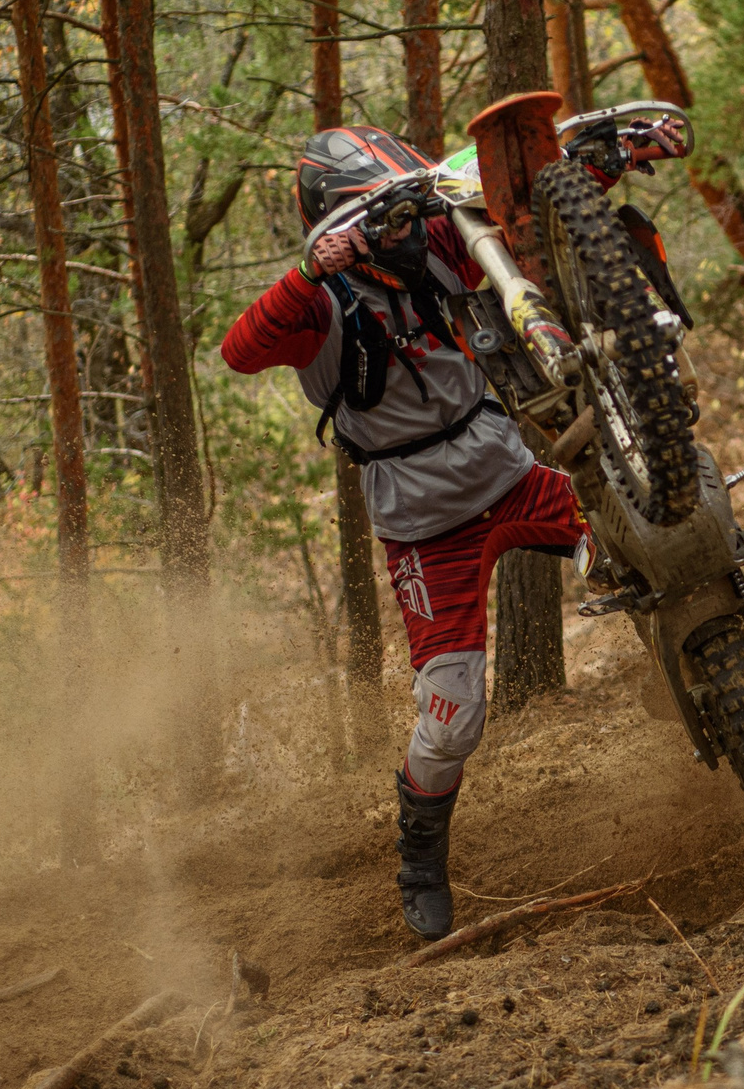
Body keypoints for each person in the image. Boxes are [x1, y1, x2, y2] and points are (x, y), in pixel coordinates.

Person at [221, 126, 585, 940]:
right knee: (453, 719)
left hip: (510, 474)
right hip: (425, 529)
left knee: (630, 533)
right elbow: (238, 351)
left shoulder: (440, 242)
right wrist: (312, 269)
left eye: (403, 207)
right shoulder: (317, 306)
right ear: (338, 225)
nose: (402, 227)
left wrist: (579, 175)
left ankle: (696, 668)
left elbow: (521, 226)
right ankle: (420, 856)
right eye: (378, 216)